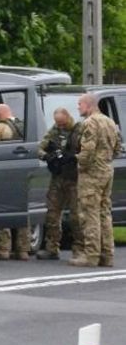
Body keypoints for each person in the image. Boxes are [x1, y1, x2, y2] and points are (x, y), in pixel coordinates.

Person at [72, 94, 122, 267]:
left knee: (89, 213)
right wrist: (105, 160)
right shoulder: (110, 122)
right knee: (104, 213)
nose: (78, 107)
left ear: (88, 105)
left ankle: (91, 254)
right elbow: (118, 148)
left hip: (91, 173)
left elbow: (88, 150)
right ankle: (107, 254)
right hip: (107, 170)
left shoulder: (90, 123)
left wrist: (79, 162)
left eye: (80, 104)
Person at [0, 103, 30, 260]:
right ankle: (23, 249)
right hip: (22, 173)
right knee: (22, 209)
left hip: (4, 175)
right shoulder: (24, 125)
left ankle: (4, 248)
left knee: (2, 209)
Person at [36, 107, 82, 260]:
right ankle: (52, 247)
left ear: (68, 118)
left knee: (76, 216)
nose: (60, 126)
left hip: (74, 178)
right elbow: (39, 148)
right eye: (58, 123)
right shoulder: (54, 131)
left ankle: (79, 248)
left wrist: (73, 157)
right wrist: (48, 157)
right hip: (58, 177)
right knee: (52, 213)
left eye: (62, 123)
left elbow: (87, 152)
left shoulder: (79, 131)